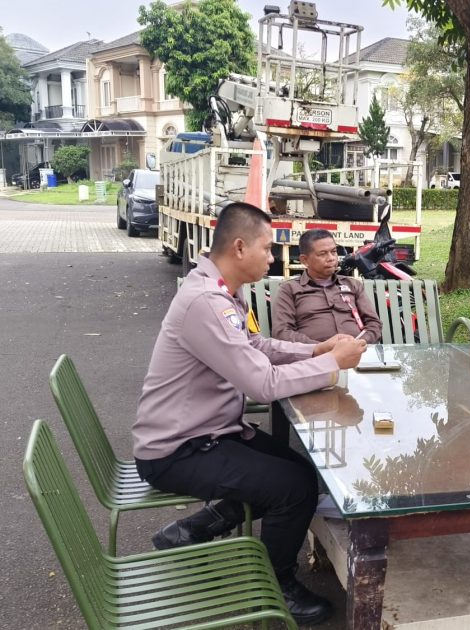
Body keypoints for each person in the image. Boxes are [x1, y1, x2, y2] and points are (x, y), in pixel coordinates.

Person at [132, 202, 367, 626]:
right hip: (177, 450)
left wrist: (315, 349)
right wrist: (333, 363)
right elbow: (262, 384)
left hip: (210, 432)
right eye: (267, 248)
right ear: (240, 247)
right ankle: (277, 584)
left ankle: (192, 529)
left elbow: (255, 347)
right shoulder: (207, 302)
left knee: (298, 467)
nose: (273, 258)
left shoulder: (222, 291)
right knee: (293, 487)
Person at [272, 229, 382, 343]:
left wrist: (360, 342)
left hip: (357, 349)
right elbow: (282, 332)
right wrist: (320, 348)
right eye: (323, 254)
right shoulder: (289, 289)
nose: (331, 258)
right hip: (313, 353)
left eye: (334, 252)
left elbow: (374, 324)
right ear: (304, 260)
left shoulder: (353, 285)